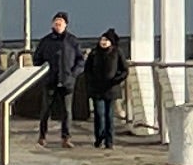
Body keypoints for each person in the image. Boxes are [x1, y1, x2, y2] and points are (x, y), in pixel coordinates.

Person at [28, 11, 82, 143]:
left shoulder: (72, 41)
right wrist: (44, 72)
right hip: (50, 81)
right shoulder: (46, 41)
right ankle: (42, 136)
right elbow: (37, 59)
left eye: (61, 22)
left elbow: (80, 60)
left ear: (66, 25)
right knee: (45, 110)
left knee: (66, 111)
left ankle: (66, 137)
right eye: (56, 22)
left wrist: (73, 74)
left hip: (67, 81)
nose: (58, 25)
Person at [83, 27, 128, 148]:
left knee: (109, 116)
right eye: (102, 39)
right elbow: (87, 70)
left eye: (106, 40)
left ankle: (109, 141)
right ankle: (99, 137)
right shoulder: (94, 53)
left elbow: (124, 70)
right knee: (99, 114)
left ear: (111, 42)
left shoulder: (117, 53)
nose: (103, 42)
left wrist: (116, 80)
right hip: (97, 89)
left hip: (111, 89)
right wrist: (91, 81)